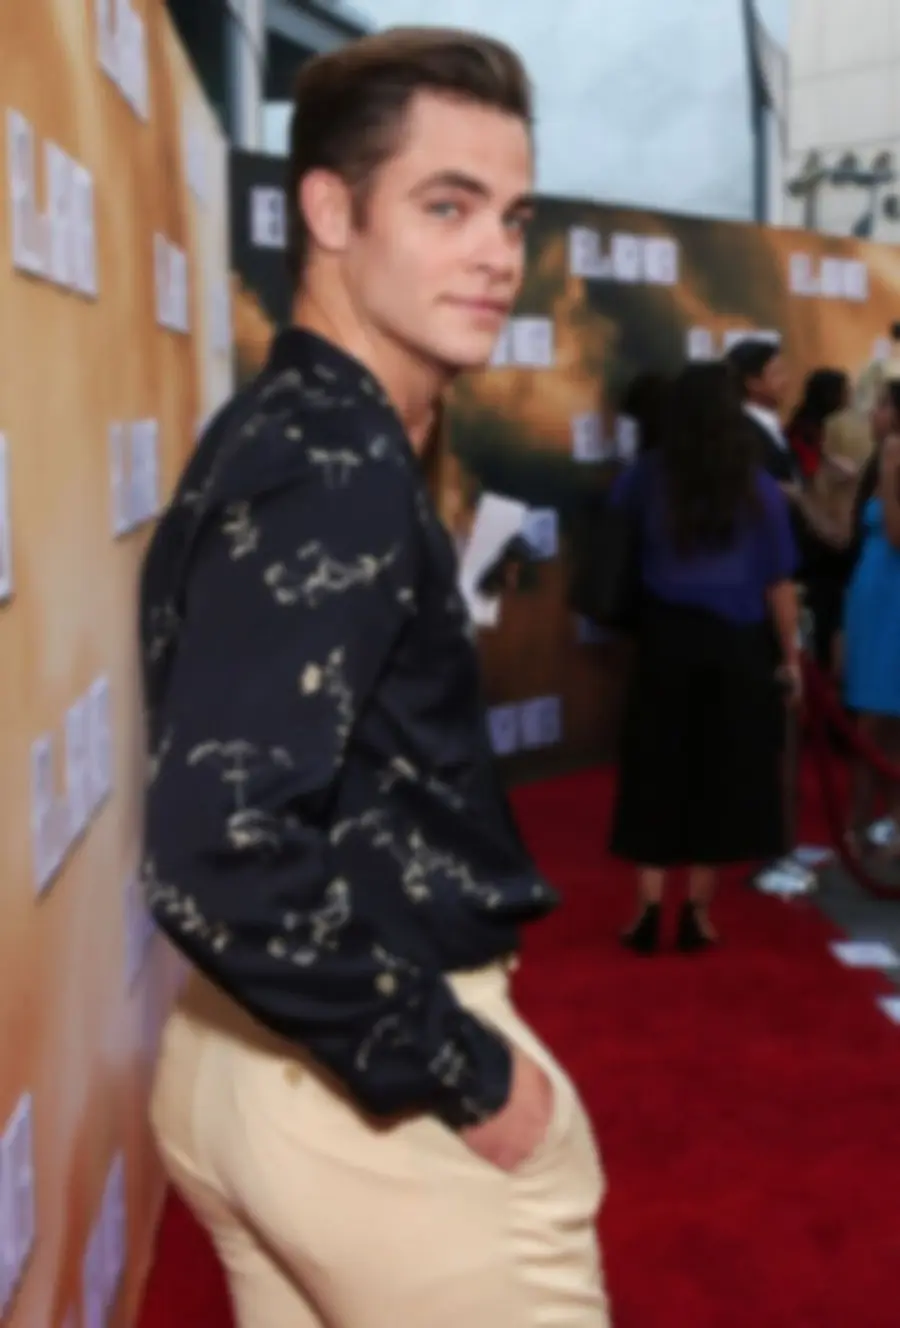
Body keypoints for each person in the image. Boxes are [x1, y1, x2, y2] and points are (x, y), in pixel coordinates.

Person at [139, 28, 609, 1328]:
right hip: (370, 1106)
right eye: (447, 206)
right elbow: (216, 844)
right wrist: (463, 1071)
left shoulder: (283, 427)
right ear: (332, 212)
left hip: (239, 1063)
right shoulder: (331, 463)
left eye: (512, 215)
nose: (497, 253)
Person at [609, 363, 799, 953]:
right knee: (720, 774)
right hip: (737, 646)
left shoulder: (646, 476)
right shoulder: (756, 484)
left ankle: (646, 910)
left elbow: (617, 540)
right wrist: (791, 657)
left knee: (655, 770)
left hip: (664, 641)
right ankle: (697, 914)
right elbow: (779, 583)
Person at [843, 380, 900, 859]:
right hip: (876, 589)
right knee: (875, 712)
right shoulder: (881, 456)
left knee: (881, 715)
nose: (872, 413)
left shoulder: (893, 453)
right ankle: (865, 823)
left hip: (890, 589)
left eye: (881, 405)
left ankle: (871, 823)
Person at [786, 368, 850, 479]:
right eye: (844, 391)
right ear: (829, 394)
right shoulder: (806, 428)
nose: (848, 395)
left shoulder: (816, 423)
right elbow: (808, 468)